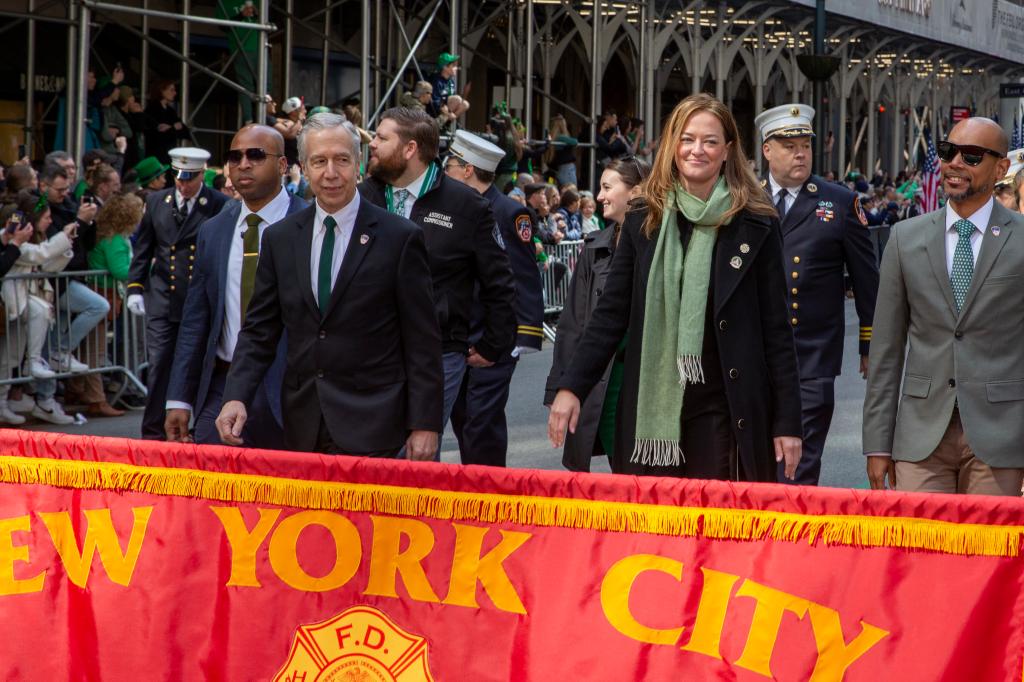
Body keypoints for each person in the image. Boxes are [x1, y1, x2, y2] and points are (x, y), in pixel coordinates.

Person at [548, 93, 802, 481]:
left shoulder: (756, 221)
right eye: (687, 139)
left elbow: (777, 331)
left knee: (716, 533)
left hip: (725, 408)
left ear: (728, 149)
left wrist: (788, 422)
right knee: (653, 533)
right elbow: (610, 314)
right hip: (651, 410)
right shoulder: (642, 216)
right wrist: (571, 387)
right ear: (672, 144)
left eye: (710, 141)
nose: (696, 150)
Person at [216, 113, 443, 457]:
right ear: (303, 168)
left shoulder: (400, 238)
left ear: (359, 164)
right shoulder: (281, 239)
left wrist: (425, 423)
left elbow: (422, 340)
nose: (331, 173)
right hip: (303, 422)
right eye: (319, 161)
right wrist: (236, 395)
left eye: (342, 160)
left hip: (376, 423)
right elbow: (259, 330)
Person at [864, 117, 1024, 496]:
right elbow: (886, 352)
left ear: (1001, 168)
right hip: (920, 439)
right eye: (948, 151)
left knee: (990, 553)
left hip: (1001, 437)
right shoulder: (905, 238)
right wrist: (877, 442)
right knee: (921, 553)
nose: (954, 163)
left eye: (971, 157)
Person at [360, 107, 516, 456]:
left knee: (412, 454)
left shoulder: (466, 205)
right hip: (370, 350)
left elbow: (499, 281)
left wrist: (493, 343)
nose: (373, 145)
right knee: (371, 453)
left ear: (410, 149)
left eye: (383, 138)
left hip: (439, 353)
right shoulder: (363, 197)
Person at [756, 103, 879, 485]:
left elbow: (867, 281)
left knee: (797, 471)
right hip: (754, 359)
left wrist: (869, 345)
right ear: (767, 150)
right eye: (789, 145)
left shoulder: (839, 203)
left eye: (805, 145)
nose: (800, 153)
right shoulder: (745, 201)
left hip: (810, 358)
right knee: (756, 471)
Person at [166, 125, 307, 448]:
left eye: (256, 155)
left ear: (283, 166)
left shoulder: (310, 223)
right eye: (235, 156)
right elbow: (196, 319)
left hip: (292, 391)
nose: (243, 163)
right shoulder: (214, 230)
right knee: (212, 492)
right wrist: (179, 398)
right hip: (221, 385)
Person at [443, 131, 545, 466]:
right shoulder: (456, 208)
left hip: (494, 338)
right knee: (463, 423)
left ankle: (487, 500)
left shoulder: (509, 214)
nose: (447, 171)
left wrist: (520, 338)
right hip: (460, 335)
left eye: (452, 165)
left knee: (481, 427)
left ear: (468, 170)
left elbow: (524, 278)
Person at [545, 157, 649, 472]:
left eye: (607, 187)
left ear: (637, 191)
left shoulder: (662, 242)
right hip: (600, 381)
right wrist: (560, 387)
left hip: (642, 382)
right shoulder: (594, 247)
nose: (600, 196)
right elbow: (572, 325)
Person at [126, 147, 227, 439]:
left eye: (190, 178)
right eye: (178, 177)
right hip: (163, 298)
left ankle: (195, 430)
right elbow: (144, 249)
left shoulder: (218, 203)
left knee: (199, 365)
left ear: (202, 174)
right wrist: (135, 287)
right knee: (159, 366)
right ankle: (153, 433)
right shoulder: (157, 201)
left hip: (198, 300)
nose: (183, 184)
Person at [144, 80, 187, 165]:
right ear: (161, 91)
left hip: (170, 155)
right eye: (171, 90)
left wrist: (170, 128)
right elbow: (157, 133)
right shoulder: (151, 109)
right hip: (157, 155)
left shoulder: (171, 111)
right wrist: (174, 128)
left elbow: (184, 131)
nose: (174, 93)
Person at [428, 53, 470, 122]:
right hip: (435, 113)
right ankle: (439, 123)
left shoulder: (451, 81)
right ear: (445, 67)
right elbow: (434, 102)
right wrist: (448, 113)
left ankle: (446, 124)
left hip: (446, 110)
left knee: (465, 104)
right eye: (453, 66)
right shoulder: (436, 80)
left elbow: (451, 97)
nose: (456, 68)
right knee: (457, 99)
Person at [546, 114, 579, 187]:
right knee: (571, 190)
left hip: (560, 169)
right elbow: (574, 142)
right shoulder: (560, 138)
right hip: (567, 169)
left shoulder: (552, 137)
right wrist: (564, 129)